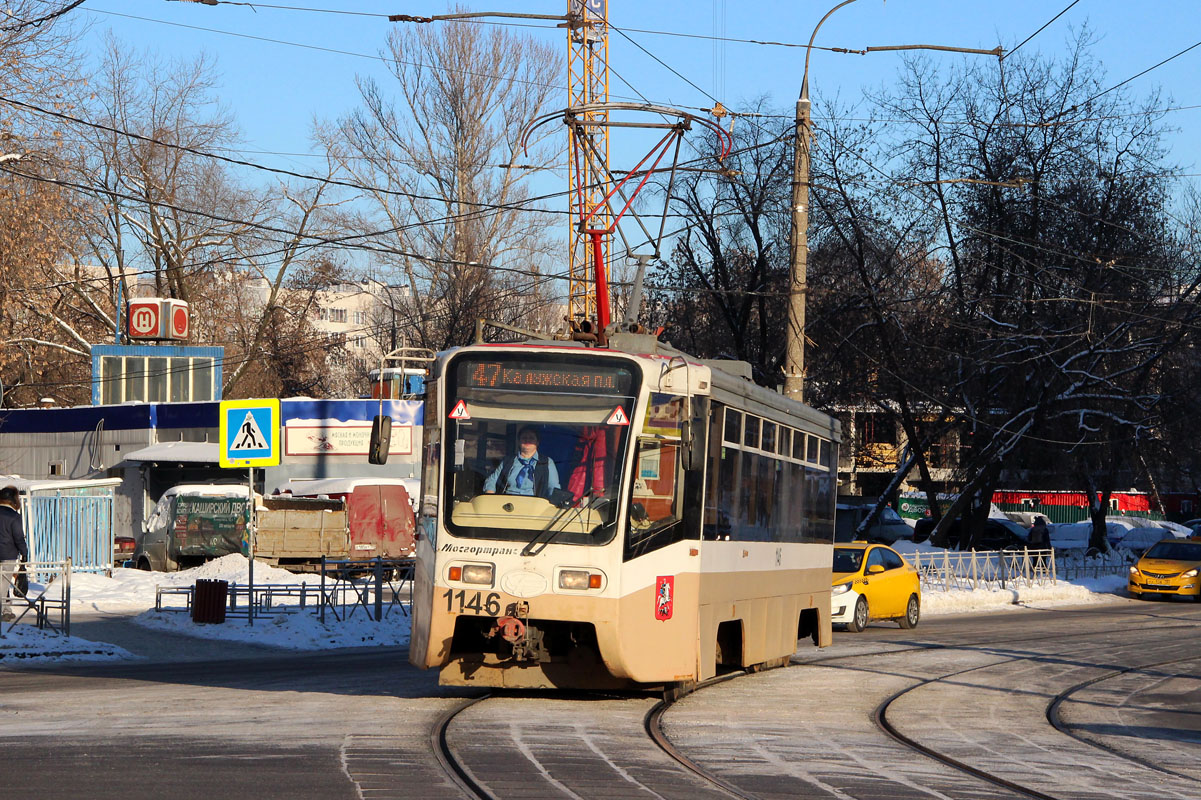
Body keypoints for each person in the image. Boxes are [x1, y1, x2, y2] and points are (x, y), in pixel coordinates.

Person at [483, 426, 560, 499]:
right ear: (519, 441)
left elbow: (553, 488)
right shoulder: (508, 460)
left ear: (537, 442)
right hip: (508, 502)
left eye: (531, 438)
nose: (527, 440)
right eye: (524, 438)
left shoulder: (546, 462)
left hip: (534, 504)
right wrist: (490, 494)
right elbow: (492, 480)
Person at [0, 485, 29, 622]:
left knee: (2, 585)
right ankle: (3, 611)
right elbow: (18, 537)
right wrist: (24, 553)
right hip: (8, 555)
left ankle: (6, 610)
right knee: (4, 584)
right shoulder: (14, 516)